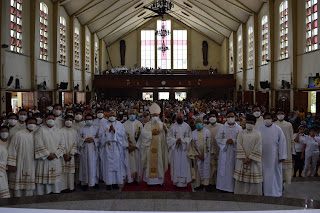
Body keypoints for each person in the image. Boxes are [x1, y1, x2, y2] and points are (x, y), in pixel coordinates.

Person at [257, 112, 287, 197]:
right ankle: (263, 191)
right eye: (265, 118)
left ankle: (275, 191)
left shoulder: (278, 129)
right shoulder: (259, 129)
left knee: (274, 175)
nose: (267, 120)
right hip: (262, 156)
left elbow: (282, 142)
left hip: (275, 157)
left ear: (272, 119)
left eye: (269, 118)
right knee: (263, 174)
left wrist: (282, 156)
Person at [35, 113, 65, 195]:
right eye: (49, 118)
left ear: (55, 120)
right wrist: (47, 154)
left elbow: (62, 144)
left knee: (56, 178)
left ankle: (56, 192)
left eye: (52, 118)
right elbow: (38, 143)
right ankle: (44, 193)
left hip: (55, 158)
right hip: (44, 159)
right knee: (44, 178)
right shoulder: (41, 130)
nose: (51, 120)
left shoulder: (58, 131)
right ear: (45, 120)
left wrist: (56, 154)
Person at [7, 117, 37, 197]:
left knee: (29, 187)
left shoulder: (36, 135)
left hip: (31, 163)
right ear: (26, 124)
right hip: (19, 162)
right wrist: (11, 163)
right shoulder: (19, 134)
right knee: (17, 187)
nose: (32, 125)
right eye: (30, 123)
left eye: (34, 123)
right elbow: (12, 148)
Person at [234, 114, 263, 195]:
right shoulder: (241, 133)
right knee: (241, 179)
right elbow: (238, 145)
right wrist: (243, 158)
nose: (249, 124)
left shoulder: (258, 134)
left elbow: (258, 146)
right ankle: (240, 193)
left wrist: (250, 158)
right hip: (242, 160)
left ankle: (254, 194)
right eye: (248, 122)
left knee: (253, 178)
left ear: (254, 124)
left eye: (251, 122)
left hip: (253, 161)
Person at [99, 111, 128, 190]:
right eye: (110, 115)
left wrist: (115, 131)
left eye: (113, 115)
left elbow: (122, 135)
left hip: (116, 147)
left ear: (116, 116)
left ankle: (116, 183)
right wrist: (108, 132)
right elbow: (100, 136)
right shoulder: (103, 125)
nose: (112, 116)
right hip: (107, 147)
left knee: (117, 164)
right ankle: (108, 183)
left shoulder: (120, 124)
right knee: (107, 165)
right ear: (107, 116)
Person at [141, 103, 168, 186]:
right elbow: (143, 134)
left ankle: (160, 181)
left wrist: (166, 130)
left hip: (159, 148)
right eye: (153, 115)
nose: (155, 117)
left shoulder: (162, 125)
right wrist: (151, 133)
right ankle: (150, 181)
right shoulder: (147, 125)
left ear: (159, 116)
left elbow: (167, 136)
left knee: (159, 162)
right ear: (151, 116)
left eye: (156, 115)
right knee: (150, 161)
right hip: (149, 148)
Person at [216, 110, 242, 192]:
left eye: (232, 117)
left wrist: (234, 141)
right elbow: (218, 139)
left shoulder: (239, 128)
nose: (230, 118)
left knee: (233, 169)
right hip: (225, 151)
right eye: (229, 117)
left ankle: (233, 187)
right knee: (224, 170)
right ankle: (222, 187)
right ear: (226, 118)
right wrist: (226, 141)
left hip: (235, 152)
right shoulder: (222, 128)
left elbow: (242, 140)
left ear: (235, 117)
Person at [167, 113, 192, 188]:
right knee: (176, 164)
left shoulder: (187, 127)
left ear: (183, 117)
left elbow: (190, 137)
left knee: (185, 165)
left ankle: (184, 181)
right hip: (176, 150)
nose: (179, 118)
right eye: (178, 117)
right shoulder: (172, 127)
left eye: (181, 117)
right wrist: (175, 141)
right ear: (176, 118)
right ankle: (176, 181)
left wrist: (183, 141)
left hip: (184, 150)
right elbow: (168, 138)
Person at [188, 117, 212, 190]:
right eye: (197, 122)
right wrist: (198, 155)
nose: (198, 124)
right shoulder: (193, 133)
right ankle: (199, 184)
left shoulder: (208, 132)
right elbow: (191, 146)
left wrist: (206, 154)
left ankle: (207, 184)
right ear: (195, 124)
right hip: (198, 156)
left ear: (203, 123)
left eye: (199, 122)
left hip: (206, 156)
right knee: (198, 170)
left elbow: (212, 144)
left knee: (207, 169)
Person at [78, 114, 100, 191]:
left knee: (94, 166)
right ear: (84, 120)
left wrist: (94, 140)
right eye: (87, 119)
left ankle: (95, 182)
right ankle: (84, 183)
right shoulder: (81, 129)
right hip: (85, 150)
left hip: (94, 150)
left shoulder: (96, 129)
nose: (89, 121)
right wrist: (84, 140)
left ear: (93, 120)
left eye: (90, 119)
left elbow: (100, 138)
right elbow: (78, 139)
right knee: (84, 166)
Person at [123, 109, 143, 184]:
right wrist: (127, 146)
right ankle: (129, 179)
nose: (132, 115)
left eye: (133, 114)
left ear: (136, 115)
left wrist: (137, 145)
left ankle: (136, 179)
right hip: (128, 148)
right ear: (128, 115)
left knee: (137, 162)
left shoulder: (139, 124)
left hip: (136, 148)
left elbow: (142, 136)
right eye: (130, 114)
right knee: (129, 163)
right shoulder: (124, 124)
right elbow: (122, 137)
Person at [274, 108, 294, 184]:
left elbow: (291, 136)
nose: (280, 115)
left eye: (282, 113)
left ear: (285, 115)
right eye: (279, 114)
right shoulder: (274, 124)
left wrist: (291, 147)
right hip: (277, 148)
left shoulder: (289, 125)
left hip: (287, 148)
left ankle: (286, 180)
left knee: (286, 167)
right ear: (276, 115)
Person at [60, 115, 78, 192]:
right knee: (63, 171)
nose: (69, 121)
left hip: (71, 154)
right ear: (64, 121)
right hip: (62, 155)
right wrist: (64, 153)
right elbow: (59, 143)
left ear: (72, 122)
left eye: (71, 120)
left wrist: (71, 153)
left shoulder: (74, 132)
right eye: (67, 119)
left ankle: (70, 187)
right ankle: (63, 187)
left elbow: (76, 143)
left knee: (70, 172)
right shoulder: (60, 131)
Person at [205, 110, 222, 185]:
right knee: (210, 167)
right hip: (209, 151)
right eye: (211, 116)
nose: (212, 118)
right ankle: (210, 183)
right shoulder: (205, 128)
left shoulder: (221, 127)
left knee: (219, 168)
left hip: (219, 150)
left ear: (217, 118)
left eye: (214, 116)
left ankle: (219, 183)